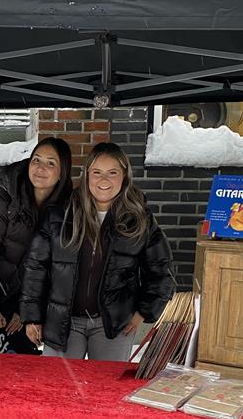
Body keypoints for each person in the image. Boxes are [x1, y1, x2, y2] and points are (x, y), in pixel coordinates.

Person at [20, 142, 175, 360]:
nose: (103, 180)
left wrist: (143, 312)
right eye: (96, 172)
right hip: (64, 321)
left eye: (112, 173)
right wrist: (32, 317)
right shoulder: (60, 215)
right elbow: (35, 267)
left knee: (107, 382)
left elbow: (162, 271)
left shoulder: (139, 219)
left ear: (124, 176)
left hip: (112, 324)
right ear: (86, 175)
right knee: (57, 381)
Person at [0, 137, 73, 346]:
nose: (40, 168)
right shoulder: (2, 203)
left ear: (62, 172)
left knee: (13, 355)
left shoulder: (61, 211)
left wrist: (23, 310)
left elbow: (42, 268)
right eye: (36, 160)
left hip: (10, 293)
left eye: (50, 163)